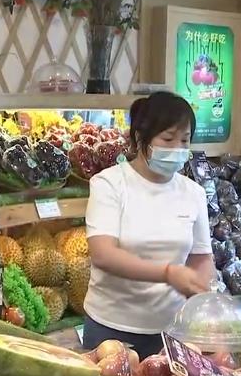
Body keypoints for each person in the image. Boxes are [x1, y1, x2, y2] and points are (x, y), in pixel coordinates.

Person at [83, 92, 215, 358]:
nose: (177, 148)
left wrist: (203, 294)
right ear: (140, 137)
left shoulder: (193, 193)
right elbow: (103, 254)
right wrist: (167, 273)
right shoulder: (110, 184)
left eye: (185, 140)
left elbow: (201, 258)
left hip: (172, 331)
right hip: (111, 329)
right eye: (168, 139)